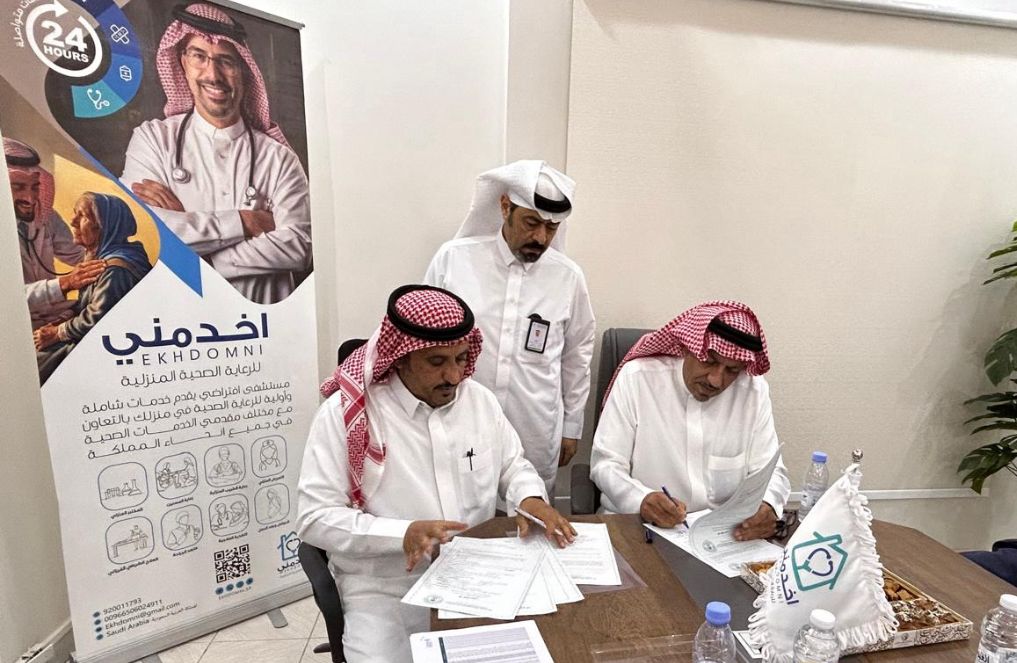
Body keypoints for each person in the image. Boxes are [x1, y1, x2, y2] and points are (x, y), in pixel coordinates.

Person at [297, 284, 575, 663]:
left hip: (478, 575)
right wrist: (402, 534)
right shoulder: (345, 417)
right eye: (437, 362)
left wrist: (529, 497)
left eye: (461, 358)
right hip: (386, 587)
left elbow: (513, 465)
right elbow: (314, 518)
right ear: (400, 358)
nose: (454, 375)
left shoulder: (479, 402)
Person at [423, 160, 596, 497]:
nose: (540, 237)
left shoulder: (568, 277)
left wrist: (572, 426)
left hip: (534, 426)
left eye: (551, 228)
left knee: (528, 511)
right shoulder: (454, 260)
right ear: (505, 207)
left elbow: (577, 355)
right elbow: (423, 341)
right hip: (460, 419)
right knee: (461, 507)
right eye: (531, 223)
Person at [121, 2, 311, 304]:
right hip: (183, 323)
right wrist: (247, 222)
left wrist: (200, 258)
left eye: (226, 61)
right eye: (199, 56)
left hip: (265, 324)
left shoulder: (279, 158)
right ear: (182, 63)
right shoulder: (153, 140)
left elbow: (299, 246)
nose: (213, 74)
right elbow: (141, 233)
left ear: (243, 71)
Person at [590, 301, 791, 540]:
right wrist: (641, 499)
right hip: (638, 527)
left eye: (732, 370)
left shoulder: (752, 393)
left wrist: (768, 505)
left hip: (722, 537)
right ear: (686, 347)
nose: (716, 380)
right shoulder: (638, 379)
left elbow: (770, 471)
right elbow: (606, 464)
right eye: (709, 361)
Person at [35, 193, 152, 384]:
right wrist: (62, 318)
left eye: (82, 216)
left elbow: (96, 318)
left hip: (110, 345)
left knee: (36, 364)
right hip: (93, 338)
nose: (73, 222)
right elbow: (86, 303)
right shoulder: (101, 258)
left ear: (103, 226)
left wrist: (57, 332)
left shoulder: (116, 270)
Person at [5, 137, 105, 329]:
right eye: (18, 187)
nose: (30, 199)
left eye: (35, 187)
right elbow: (8, 299)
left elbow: (77, 255)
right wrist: (65, 283)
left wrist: (112, 261)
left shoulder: (45, 215)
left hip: (53, 314)